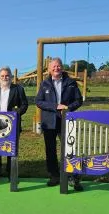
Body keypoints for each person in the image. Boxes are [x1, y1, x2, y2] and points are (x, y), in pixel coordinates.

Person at [35, 57, 84, 191]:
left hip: (66, 121)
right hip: (49, 122)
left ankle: (72, 176)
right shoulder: (44, 84)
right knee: (50, 150)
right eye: (54, 67)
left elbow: (78, 100)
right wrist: (56, 106)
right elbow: (39, 101)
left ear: (62, 67)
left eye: (58, 66)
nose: (56, 68)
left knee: (69, 150)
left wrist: (67, 108)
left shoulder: (71, 83)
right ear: (49, 69)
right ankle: (54, 176)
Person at [0, 66, 28, 183]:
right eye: (2, 76)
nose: (4, 77)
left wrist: (17, 113)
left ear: (11, 77)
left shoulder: (18, 89)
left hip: (12, 124)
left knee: (10, 149)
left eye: (7, 75)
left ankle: (11, 174)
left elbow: (24, 105)